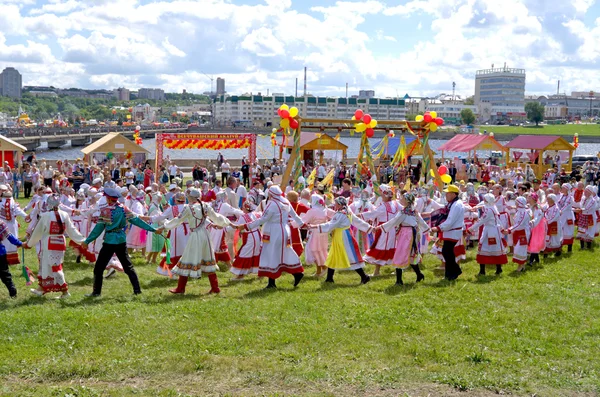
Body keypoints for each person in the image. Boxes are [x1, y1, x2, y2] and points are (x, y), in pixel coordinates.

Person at [80, 188, 159, 297]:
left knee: (98, 268)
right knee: (128, 267)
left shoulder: (106, 211)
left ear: (108, 199)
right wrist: (153, 229)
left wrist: (87, 241)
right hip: (121, 240)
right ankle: (137, 290)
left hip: (109, 241)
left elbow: (98, 228)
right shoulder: (124, 209)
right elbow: (137, 220)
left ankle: (96, 292)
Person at [161, 188, 231, 294]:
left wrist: (164, 226)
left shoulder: (189, 208)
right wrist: (227, 222)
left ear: (190, 197)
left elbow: (177, 220)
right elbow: (216, 217)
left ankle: (181, 288)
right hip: (205, 235)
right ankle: (215, 287)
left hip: (195, 235)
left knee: (186, 258)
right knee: (208, 258)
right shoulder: (206, 206)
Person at [237, 185, 305, 289]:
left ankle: (272, 282)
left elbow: (262, 219)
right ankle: (296, 272)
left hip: (273, 231)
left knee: (270, 254)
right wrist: (302, 224)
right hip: (285, 230)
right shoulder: (286, 202)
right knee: (285, 252)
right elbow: (295, 215)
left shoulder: (272, 204)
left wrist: (247, 226)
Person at [25, 194, 86, 299]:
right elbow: (71, 229)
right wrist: (82, 240)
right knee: (46, 264)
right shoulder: (64, 214)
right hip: (60, 241)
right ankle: (41, 288)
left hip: (50, 243)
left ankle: (65, 292)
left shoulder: (45, 216)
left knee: (55, 267)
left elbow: (37, 232)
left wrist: (29, 244)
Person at [309, 196, 372, 285]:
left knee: (349, 256)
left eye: (336, 203)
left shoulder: (340, 214)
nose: (335, 205)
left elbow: (331, 224)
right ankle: (329, 278)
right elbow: (357, 221)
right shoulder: (347, 211)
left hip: (342, 237)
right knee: (333, 255)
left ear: (339, 204)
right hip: (343, 235)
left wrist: (314, 226)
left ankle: (364, 276)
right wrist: (369, 228)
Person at [379, 192, 428, 285]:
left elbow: (394, 221)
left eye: (402, 198)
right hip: (410, 234)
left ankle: (399, 280)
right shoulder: (413, 211)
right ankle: (419, 274)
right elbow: (421, 222)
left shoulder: (404, 212)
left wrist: (381, 227)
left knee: (400, 254)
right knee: (411, 254)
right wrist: (427, 230)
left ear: (406, 200)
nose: (400, 199)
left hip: (406, 235)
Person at [361, 185, 401, 277]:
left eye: (382, 195)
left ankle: (377, 272)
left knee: (381, 248)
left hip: (384, 230)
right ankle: (396, 269)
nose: (381, 196)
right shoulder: (396, 203)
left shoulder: (384, 205)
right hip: (393, 229)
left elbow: (372, 213)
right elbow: (403, 209)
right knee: (391, 248)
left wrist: (359, 216)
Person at [468, 193, 507, 276]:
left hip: (490, 231)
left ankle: (483, 271)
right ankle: (497, 269)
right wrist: (502, 228)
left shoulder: (489, 210)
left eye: (485, 199)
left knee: (484, 248)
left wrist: (470, 229)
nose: (484, 201)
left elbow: (481, 220)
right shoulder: (492, 207)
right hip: (493, 231)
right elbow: (483, 205)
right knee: (493, 249)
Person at [431, 184, 465, 281]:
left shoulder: (456, 205)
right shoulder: (453, 203)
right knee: (447, 252)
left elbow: (450, 221)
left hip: (452, 232)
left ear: (454, 194)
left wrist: (438, 228)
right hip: (450, 231)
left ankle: (455, 271)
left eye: (448, 193)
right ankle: (450, 274)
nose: (446, 195)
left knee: (447, 252)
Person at [230, 197, 262, 280]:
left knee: (244, 254)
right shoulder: (257, 214)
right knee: (256, 253)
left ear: (245, 208)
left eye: (243, 207)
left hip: (250, 237)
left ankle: (240, 275)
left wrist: (225, 226)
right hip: (258, 236)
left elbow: (236, 226)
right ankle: (260, 272)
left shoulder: (243, 217)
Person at [301, 194, 330, 277]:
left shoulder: (313, 211)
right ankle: (319, 270)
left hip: (315, 232)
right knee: (320, 250)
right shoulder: (324, 209)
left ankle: (324, 267)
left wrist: (292, 223)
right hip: (323, 232)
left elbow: (304, 220)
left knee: (313, 250)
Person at [505, 197, 531, 272]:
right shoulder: (519, 211)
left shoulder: (523, 212)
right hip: (518, 232)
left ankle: (521, 265)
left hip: (523, 233)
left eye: (516, 202)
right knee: (517, 248)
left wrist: (509, 230)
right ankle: (522, 265)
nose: (515, 204)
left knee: (521, 249)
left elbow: (519, 224)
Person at [0, 220, 24, 299]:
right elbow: (9, 236)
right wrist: (20, 243)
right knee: (5, 274)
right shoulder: (1, 223)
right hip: (1, 252)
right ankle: (12, 291)